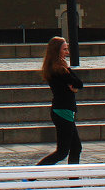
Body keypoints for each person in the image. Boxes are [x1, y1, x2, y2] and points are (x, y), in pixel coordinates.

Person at [37, 35, 82, 165]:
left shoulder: (56, 67)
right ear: (57, 51)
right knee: (62, 151)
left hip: (64, 110)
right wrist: (68, 70)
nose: (67, 52)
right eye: (64, 49)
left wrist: (72, 84)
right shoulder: (59, 70)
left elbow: (76, 85)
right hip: (63, 111)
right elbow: (79, 83)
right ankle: (31, 176)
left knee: (76, 148)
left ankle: (74, 183)